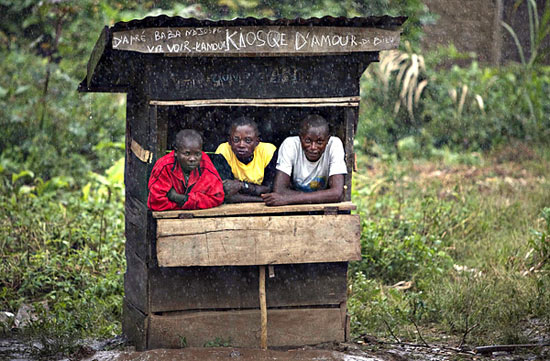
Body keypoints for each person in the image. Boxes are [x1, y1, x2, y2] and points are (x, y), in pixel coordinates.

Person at [261, 114, 347, 206]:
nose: (313, 147)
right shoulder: (290, 144)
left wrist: (288, 199)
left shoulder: (335, 144)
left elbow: (337, 193)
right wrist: (324, 196)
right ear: (300, 137)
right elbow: (279, 190)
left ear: (328, 140)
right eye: (308, 141)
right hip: (313, 204)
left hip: (305, 204)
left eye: (319, 142)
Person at [147, 129, 224, 211]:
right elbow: (155, 202)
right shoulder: (164, 166)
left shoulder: (205, 164)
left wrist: (179, 198)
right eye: (187, 154)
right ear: (176, 152)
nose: (192, 158)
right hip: (167, 219)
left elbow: (217, 197)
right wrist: (193, 202)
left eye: (197, 154)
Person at [214, 116, 277, 203]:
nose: (241, 145)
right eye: (236, 140)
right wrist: (262, 199)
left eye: (248, 140)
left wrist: (242, 186)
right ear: (229, 141)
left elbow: (272, 189)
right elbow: (226, 193)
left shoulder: (268, 151)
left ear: (257, 142)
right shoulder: (223, 151)